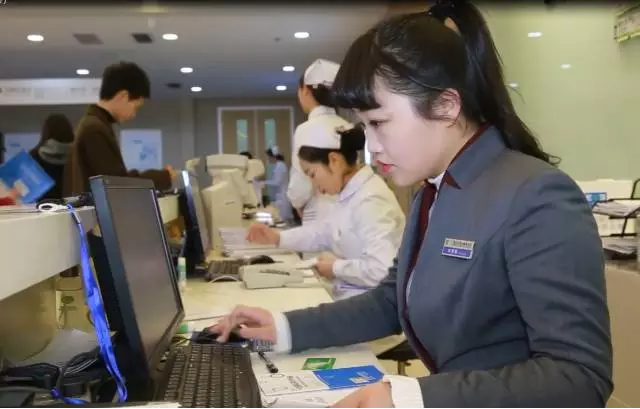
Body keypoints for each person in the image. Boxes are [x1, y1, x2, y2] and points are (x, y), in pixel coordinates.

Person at [211, 1, 613, 407]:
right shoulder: (434, 192)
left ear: (446, 106)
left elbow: (579, 378)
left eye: (379, 122)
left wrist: (410, 397)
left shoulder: (536, 195)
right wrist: (283, 328)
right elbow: (392, 301)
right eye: (364, 126)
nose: (371, 146)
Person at [246, 125, 405, 301]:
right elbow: (324, 233)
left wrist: (335, 267)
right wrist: (278, 237)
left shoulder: (371, 200)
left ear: (334, 161)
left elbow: (383, 270)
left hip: (375, 306)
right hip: (355, 297)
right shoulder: (349, 193)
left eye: (312, 174)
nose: (313, 184)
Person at [65, 61, 176, 196]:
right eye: (136, 107)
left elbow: (115, 178)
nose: (134, 115)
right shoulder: (94, 129)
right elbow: (115, 184)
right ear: (123, 96)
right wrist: (163, 177)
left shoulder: (95, 124)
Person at [288, 58, 353, 224]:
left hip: (318, 211)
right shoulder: (346, 125)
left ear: (305, 90)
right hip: (349, 210)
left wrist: (296, 204)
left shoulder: (306, 129)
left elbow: (301, 183)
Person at [29, 114, 74, 200]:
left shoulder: (34, 156)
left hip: (42, 205)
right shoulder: (77, 155)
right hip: (72, 204)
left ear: (46, 132)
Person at [261, 146, 293, 222]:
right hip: (280, 196)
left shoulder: (280, 166)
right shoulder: (279, 165)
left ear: (273, 157)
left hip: (282, 197)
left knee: (282, 219)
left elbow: (276, 182)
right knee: (281, 219)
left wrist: (263, 182)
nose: (268, 159)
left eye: (268, 157)